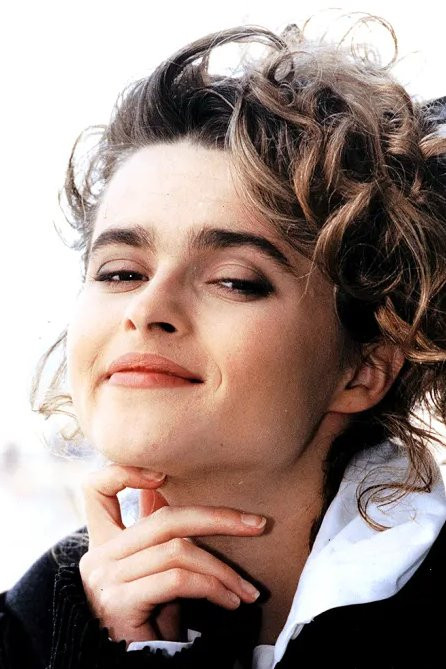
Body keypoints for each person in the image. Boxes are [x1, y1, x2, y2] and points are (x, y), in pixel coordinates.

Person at [1, 19, 446, 669]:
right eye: (120, 272)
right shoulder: (30, 633)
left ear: (364, 368)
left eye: (234, 281)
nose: (147, 309)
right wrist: (101, 646)